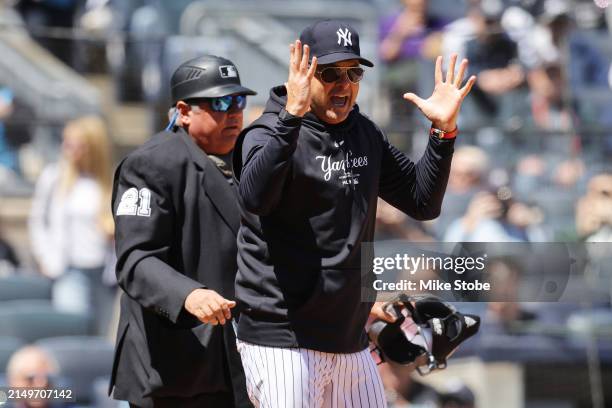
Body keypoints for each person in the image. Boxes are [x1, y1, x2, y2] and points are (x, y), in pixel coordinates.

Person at [232, 19, 476, 407]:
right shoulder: (267, 133)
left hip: (349, 339)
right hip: (282, 338)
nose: (344, 84)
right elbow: (254, 200)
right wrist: (290, 118)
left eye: (354, 72)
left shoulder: (363, 131)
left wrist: (442, 133)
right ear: (303, 72)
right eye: (330, 73)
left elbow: (422, 201)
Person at [109, 55, 255, 408]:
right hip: (176, 364)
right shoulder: (151, 163)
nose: (233, 112)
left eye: (238, 100)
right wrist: (187, 294)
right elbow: (135, 259)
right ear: (184, 111)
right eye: (219, 102)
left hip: (244, 363)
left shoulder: (252, 157)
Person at [28, 116, 115, 335]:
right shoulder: (54, 177)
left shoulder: (108, 180)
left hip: (103, 271)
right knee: (72, 331)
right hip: (69, 269)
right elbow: (38, 220)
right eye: (67, 143)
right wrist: (45, 257)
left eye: (78, 145)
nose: (70, 150)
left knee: (100, 335)